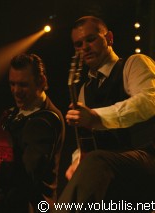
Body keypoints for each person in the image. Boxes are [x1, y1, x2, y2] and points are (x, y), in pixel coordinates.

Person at [55, 16, 155, 211]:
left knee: (96, 160)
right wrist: (78, 161)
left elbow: (149, 101)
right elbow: (85, 142)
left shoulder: (134, 64)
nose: (84, 47)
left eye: (90, 39)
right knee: (90, 165)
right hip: (111, 169)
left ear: (109, 38)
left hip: (147, 157)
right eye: (78, 44)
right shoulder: (84, 89)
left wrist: (96, 116)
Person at [0, 53, 65, 213]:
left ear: (41, 82)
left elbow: (27, 181)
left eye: (23, 85)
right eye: (12, 84)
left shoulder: (44, 122)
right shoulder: (12, 114)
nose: (16, 91)